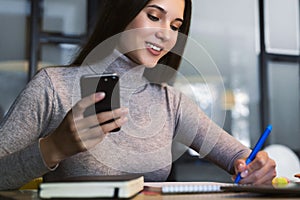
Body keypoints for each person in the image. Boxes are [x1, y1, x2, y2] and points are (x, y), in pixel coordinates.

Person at [0, 0, 276, 190]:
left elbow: (238, 157)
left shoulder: (170, 102)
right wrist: (54, 148)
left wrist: (256, 166)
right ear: (123, 11)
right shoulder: (53, 86)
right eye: (154, 17)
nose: (165, 35)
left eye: (175, 26)